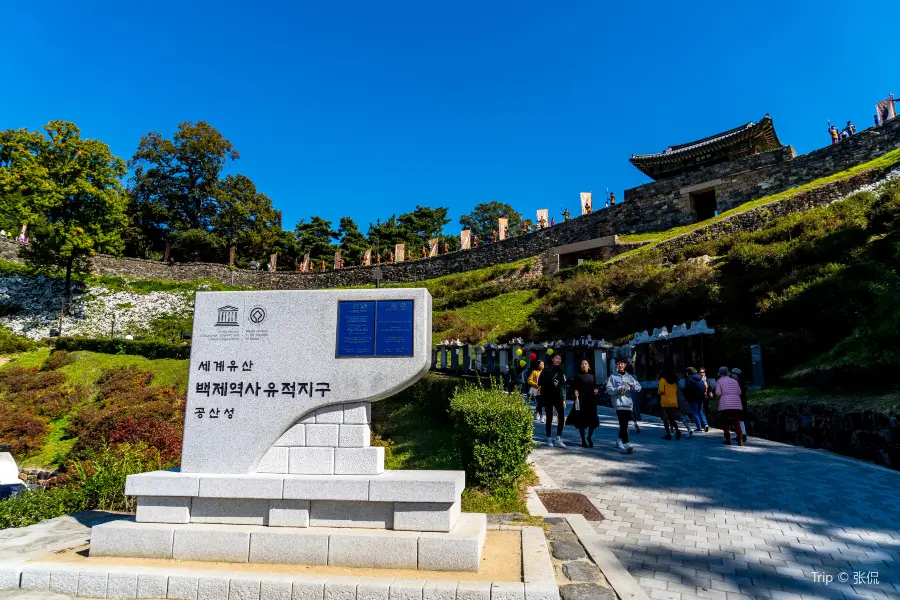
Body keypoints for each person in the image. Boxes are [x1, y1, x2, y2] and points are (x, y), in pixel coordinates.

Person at [606, 359, 641, 454]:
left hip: (628, 404)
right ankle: (627, 443)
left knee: (624, 424)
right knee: (623, 423)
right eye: (618, 363)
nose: (620, 365)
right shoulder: (612, 377)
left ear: (625, 365)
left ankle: (618, 440)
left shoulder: (630, 377)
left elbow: (639, 388)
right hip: (619, 404)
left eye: (622, 363)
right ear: (616, 365)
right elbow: (609, 390)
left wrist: (632, 384)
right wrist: (619, 388)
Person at [567, 360, 600, 447]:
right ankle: (583, 440)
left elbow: (595, 386)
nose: (584, 365)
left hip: (591, 400)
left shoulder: (592, 376)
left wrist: (596, 390)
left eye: (585, 364)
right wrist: (575, 392)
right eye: (582, 364)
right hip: (581, 400)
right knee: (581, 421)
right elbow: (572, 387)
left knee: (593, 421)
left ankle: (589, 437)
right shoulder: (577, 376)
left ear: (588, 366)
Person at [539, 354, 567, 448]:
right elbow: (540, 382)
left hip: (558, 397)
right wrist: (552, 383)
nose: (558, 360)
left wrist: (563, 399)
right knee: (549, 417)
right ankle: (549, 437)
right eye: (556, 358)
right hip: (548, 396)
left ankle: (558, 438)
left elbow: (563, 385)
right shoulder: (547, 369)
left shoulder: (561, 370)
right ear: (552, 359)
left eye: (560, 358)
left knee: (562, 417)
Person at [714, 366, 744, 446]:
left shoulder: (719, 381)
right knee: (736, 421)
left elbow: (718, 393)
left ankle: (728, 439)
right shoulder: (734, 381)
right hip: (736, 403)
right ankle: (740, 438)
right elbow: (739, 392)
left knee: (725, 421)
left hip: (725, 404)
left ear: (720, 374)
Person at [658, 361, 681, 440]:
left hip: (665, 401)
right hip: (673, 401)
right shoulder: (675, 380)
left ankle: (668, 434)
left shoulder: (663, 380)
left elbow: (661, 390)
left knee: (665, 419)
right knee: (672, 418)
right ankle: (677, 430)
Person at [683, 367, 708, 432]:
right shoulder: (700, 378)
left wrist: (687, 398)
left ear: (687, 372)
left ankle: (699, 427)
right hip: (701, 397)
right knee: (700, 411)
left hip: (693, 398)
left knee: (695, 412)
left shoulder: (689, 379)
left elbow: (687, 389)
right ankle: (705, 424)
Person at [731, 368, 749, 443]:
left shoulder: (737, 383)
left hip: (738, 403)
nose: (731, 375)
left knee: (738, 419)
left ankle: (741, 435)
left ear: (736, 374)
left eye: (733, 374)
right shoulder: (742, 383)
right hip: (742, 403)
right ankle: (742, 434)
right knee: (740, 419)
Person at [625, 363, 641, 433]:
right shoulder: (635, 377)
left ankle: (626, 427)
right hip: (634, 396)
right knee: (634, 411)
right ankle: (635, 423)